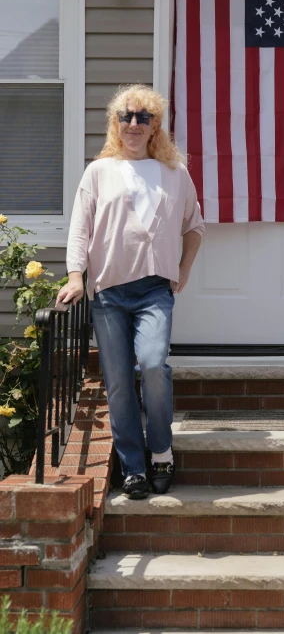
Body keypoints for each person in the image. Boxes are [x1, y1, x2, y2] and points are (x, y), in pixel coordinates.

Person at [56, 84, 204, 500]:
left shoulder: (176, 172)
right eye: (126, 116)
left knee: (154, 365)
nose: (134, 124)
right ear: (115, 123)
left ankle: (161, 451)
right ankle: (134, 466)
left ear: (156, 125)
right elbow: (80, 229)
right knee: (119, 382)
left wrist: (184, 268)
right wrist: (75, 277)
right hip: (107, 294)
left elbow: (194, 226)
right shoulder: (99, 171)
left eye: (143, 117)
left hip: (154, 291)